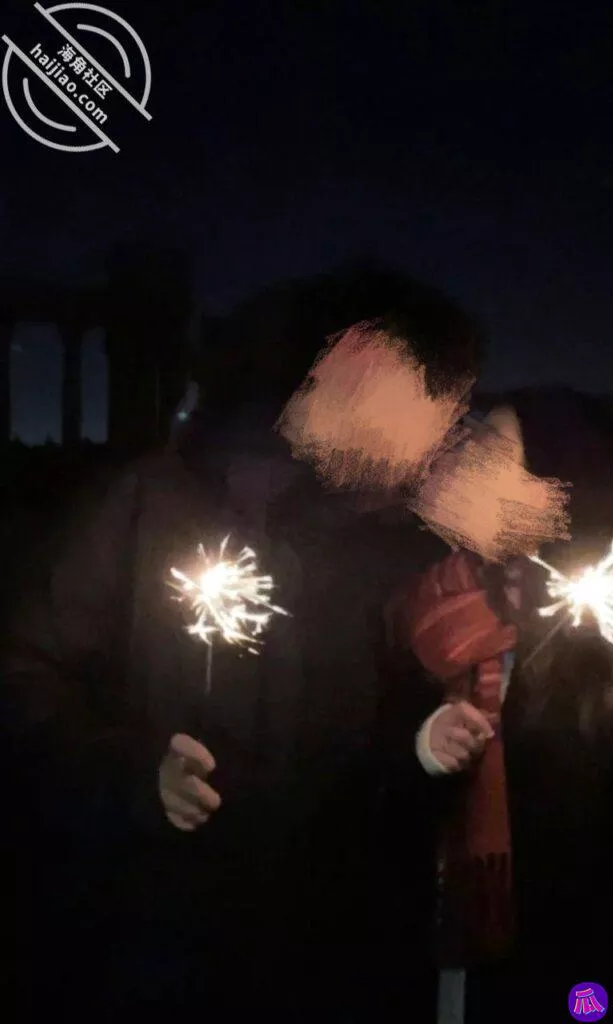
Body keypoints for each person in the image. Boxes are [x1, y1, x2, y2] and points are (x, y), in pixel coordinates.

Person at [1, 265, 484, 1019]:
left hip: (329, 948)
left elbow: (378, 730)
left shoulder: (390, 540)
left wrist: (424, 743)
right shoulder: (148, 503)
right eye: (424, 400)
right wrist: (134, 778)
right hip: (158, 939)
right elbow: (24, 677)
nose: (438, 434)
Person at [383, 388, 613, 1021]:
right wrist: (424, 748)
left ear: (560, 487)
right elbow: (364, 777)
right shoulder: (430, 605)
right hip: (444, 958)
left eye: (495, 456)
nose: (467, 470)